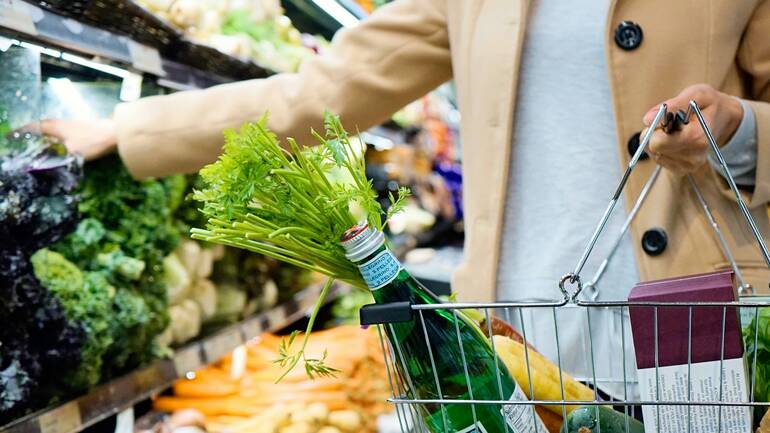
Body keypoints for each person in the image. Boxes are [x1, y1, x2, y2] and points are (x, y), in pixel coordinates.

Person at [41, 0, 770, 400]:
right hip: (518, 337)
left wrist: (736, 133)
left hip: (699, 336)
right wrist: (127, 129)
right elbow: (320, 93)